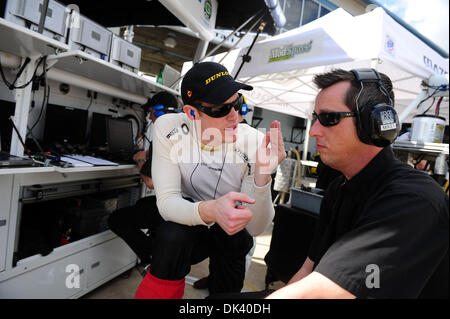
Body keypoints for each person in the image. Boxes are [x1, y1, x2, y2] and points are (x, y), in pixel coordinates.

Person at [265, 68, 449, 299]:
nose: (313, 131)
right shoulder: (338, 189)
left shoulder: (413, 199)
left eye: (328, 118)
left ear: (374, 124)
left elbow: (322, 292)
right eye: (315, 118)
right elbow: (309, 270)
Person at [134, 61, 286, 299]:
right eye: (220, 109)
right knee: (172, 235)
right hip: (190, 219)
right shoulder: (168, 126)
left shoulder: (253, 141)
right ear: (192, 112)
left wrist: (262, 174)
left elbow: (256, 228)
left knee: (231, 266)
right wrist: (213, 210)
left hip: (232, 230)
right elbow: (166, 203)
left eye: (237, 103)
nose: (234, 117)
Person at [108, 91, 179, 267]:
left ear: (159, 111)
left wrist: (140, 160)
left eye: (151, 113)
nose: (150, 117)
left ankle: (152, 256)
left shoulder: (163, 135)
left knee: (116, 219)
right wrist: (148, 153)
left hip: (170, 207)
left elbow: (150, 182)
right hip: (183, 202)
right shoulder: (180, 130)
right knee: (142, 205)